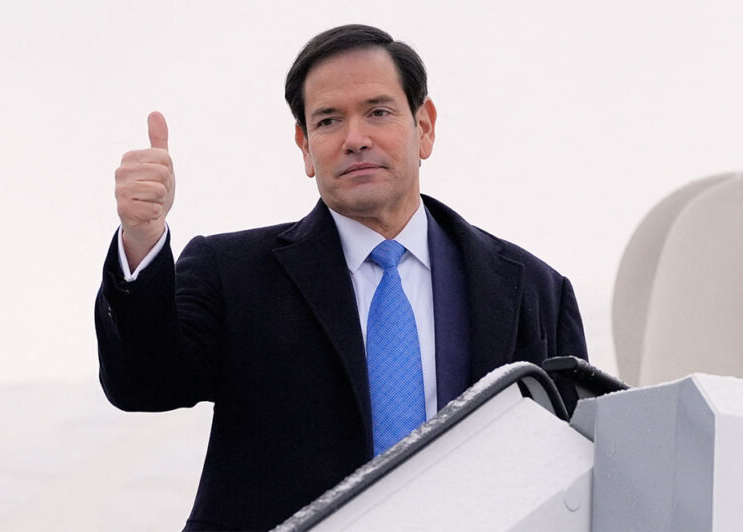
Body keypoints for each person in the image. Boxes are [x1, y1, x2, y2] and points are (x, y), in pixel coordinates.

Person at [95, 24, 587, 531]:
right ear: (305, 147)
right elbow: (142, 383)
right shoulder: (233, 274)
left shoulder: (533, 289)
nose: (356, 139)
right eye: (329, 121)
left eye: (378, 111)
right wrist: (142, 239)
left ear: (426, 125)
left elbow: (572, 469)